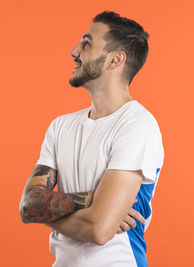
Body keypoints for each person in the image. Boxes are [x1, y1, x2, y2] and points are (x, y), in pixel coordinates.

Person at [19, 10, 164, 267]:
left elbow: (99, 229)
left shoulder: (137, 125)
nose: (74, 51)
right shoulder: (60, 126)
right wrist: (95, 200)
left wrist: (47, 210)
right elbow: (28, 205)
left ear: (114, 60)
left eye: (86, 44)